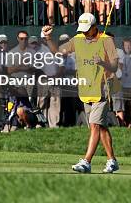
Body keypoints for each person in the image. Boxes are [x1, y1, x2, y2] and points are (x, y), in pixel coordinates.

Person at [43, 13, 120, 174]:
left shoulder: (107, 40)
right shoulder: (77, 39)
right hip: (86, 90)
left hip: (102, 88)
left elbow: (114, 66)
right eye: (82, 30)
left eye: (87, 30)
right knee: (101, 126)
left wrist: (102, 62)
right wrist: (48, 38)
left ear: (94, 27)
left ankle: (86, 162)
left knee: (94, 125)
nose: (84, 33)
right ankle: (112, 161)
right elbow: (58, 53)